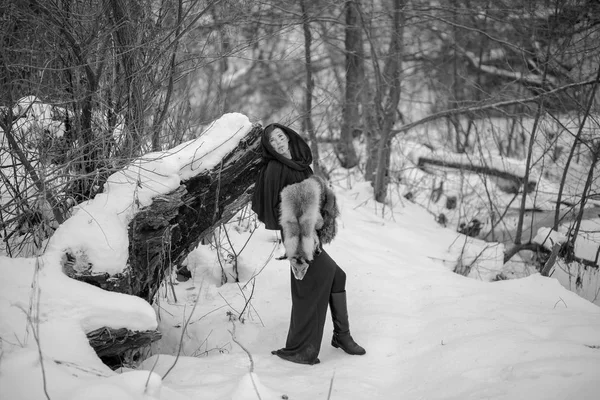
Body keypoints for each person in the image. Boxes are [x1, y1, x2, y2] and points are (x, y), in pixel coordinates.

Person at [251, 123, 366, 365]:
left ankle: (341, 336)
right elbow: (277, 209)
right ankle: (302, 348)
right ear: (269, 147)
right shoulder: (275, 168)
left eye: (280, 137)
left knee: (337, 277)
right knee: (308, 288)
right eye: (273, 141)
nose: (279, 143)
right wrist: (305, 217)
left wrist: (322, 205)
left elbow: (313, 194)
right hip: (298, 237)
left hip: (309, 233)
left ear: (289, 137)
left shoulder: (301, 162)